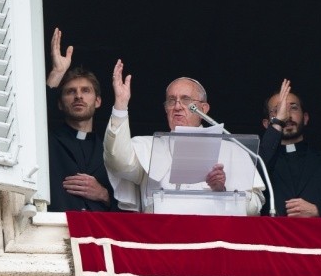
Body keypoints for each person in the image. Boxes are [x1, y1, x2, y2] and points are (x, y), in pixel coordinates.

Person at [103, 60, 264, 214]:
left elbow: (254, 206)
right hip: (161, 230)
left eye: (186, 100)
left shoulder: (233, 149)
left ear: (204, 108)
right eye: (171, 101)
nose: (177, 106)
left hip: (213, 231)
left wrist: (222, 191)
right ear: (166, 109)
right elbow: (118, 162)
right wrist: (121, 105)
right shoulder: (148, 146)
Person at [260, 79, 321, 218]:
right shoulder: (260, 164)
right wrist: (278, 122)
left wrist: (319, 211)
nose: (287, 115)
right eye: (277, 110)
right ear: (266, 124)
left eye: (293, 108)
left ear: (305, 118)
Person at [45, 28, 117, 212]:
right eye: (71, 91)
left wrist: (104, 194)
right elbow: (33, 115)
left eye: (86, 90)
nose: (78, 96)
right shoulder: (47, 140)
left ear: (98, 101)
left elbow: (130, 203)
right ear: (60, 104)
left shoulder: (110, 150)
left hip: (98, 229)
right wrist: (57, 72)